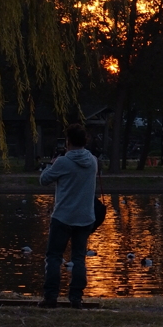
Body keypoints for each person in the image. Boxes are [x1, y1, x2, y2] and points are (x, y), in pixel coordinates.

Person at [39, 123, 98, 308]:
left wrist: (52, 164)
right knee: (79, 258)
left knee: (54, 257)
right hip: (85, 216)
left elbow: (44, 180)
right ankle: (76, 298)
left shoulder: (63, 162)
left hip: (63, 216)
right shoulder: (93, 161)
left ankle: (50, 297)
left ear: (68, 142)